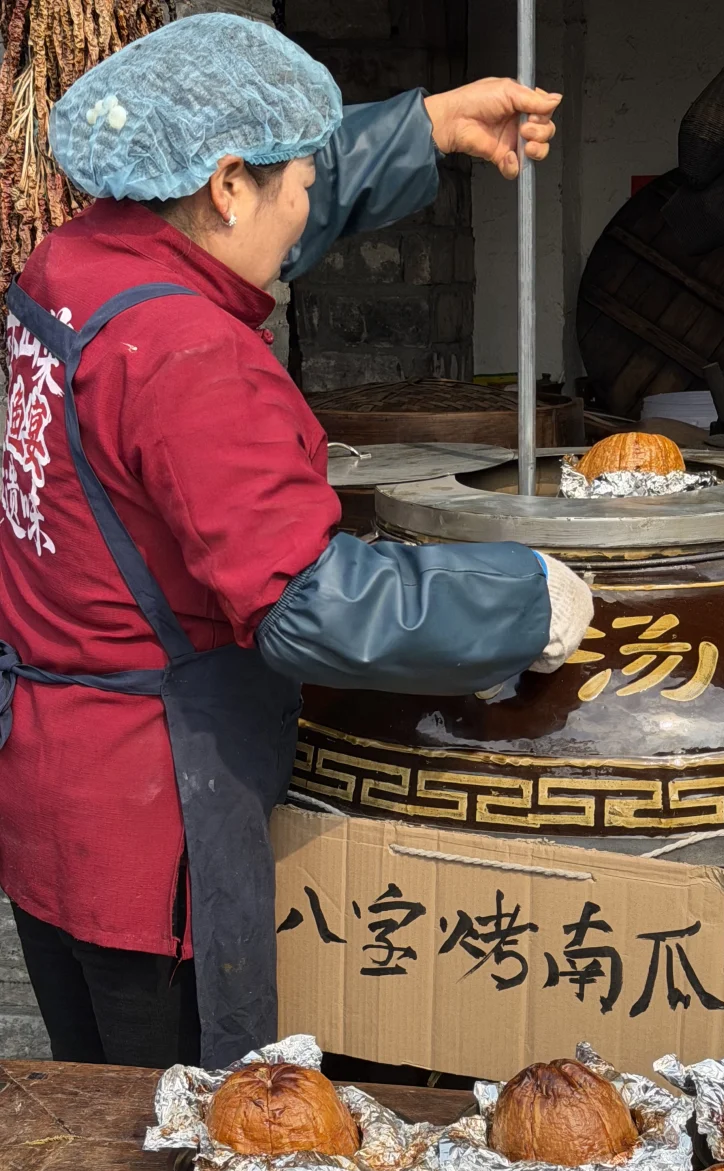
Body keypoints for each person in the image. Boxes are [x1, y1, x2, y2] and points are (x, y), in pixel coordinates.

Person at [0, 14, 593, 1071]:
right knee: (177, 1118)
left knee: (90, 1092)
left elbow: (238, 229)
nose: (311, 202)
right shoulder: (192, 359)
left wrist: (426, 128)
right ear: (228, 184)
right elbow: (309, 604)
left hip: (51, 789)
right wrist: (524, 599)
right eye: (302, 181)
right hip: (156, 827)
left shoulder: (75, 262)